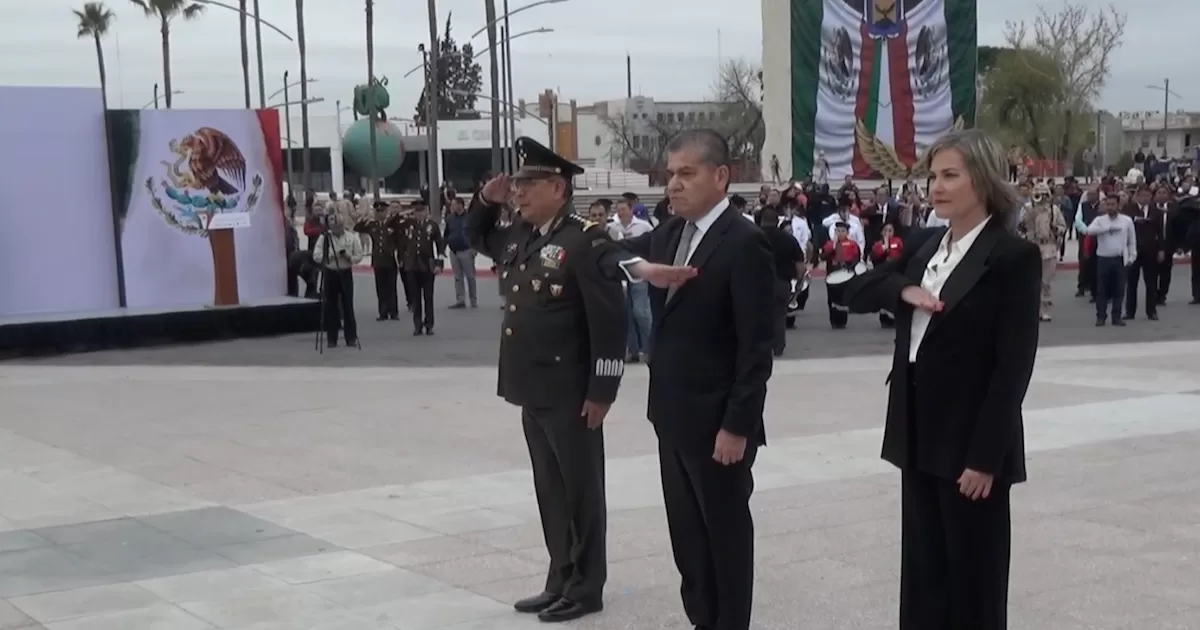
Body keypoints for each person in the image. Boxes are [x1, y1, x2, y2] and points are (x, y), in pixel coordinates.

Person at [837, 128, 1042, 630]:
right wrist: (905, 289)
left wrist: (984, 458)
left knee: (974, 580)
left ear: (985, 179)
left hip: (971, 443)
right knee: (924, 573)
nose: (937, 186)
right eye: (932, 176)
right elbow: (853, 291)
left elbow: (1013, 369)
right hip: (917, 433)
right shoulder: (926, 244)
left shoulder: (1012, 257)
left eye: (951, 175)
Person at [596, 129, 775, 630]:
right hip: (672, 416)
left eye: (686, 173)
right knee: (688, 540)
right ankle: (702, 618)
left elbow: (757, 348)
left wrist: (737, 425)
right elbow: (606, 254)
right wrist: (642, 268)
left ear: (721, 177)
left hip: (718, 424)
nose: (673, 185)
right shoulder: (670, 233)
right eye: (670, 174)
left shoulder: (744, 243)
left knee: (725, 537)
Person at [465, 137, 629, 623]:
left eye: (527, 184)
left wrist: (603, 390)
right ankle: (560, 576)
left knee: (581, 491)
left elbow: (611, 322)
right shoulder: (521, 234)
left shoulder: (586, 240)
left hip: (572, 391)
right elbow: (478, 239)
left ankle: (586, 587)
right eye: (515, 184)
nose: (517, 192)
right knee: (550, 490)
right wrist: (483, 202)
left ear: (558, 187)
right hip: (531, 387)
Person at [312, 214, 365, 348]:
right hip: (330, 272)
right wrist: (331, 255)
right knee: (330, 307)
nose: (337, 229)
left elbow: (359, 255)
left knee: (348, 306)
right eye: (334, 227)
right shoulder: (324, 238)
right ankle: (331, 339)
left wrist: (349, 257)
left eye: (339, 226)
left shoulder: (351, 237)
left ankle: (351, 337)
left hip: (345, 272)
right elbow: (316, 256)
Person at [758, 207, 806, 356]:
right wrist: (799, 283)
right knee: (779, 315)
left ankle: (761, 346)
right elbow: (800, 264)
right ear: (777, 221)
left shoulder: (753, 237)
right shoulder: (787, 238)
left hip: (757, 283)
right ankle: (778, 346)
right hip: (781, 282)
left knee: (757, 315)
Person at [1083, 195, 1137, 326]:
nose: (1110, 207)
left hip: (1119, 258)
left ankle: (1116, 316)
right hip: (1103, 258)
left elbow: (1131, 240)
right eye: (1108, 205)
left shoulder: (1126, 220)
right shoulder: (1100, 220)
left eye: (1113, 204)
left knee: (1119, 289)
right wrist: (1106, 229)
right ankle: (1101, 317)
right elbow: (1089, 230)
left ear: (1119, 205)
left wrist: (1132, 256)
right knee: (1102, 290)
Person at [1017, 181, 1066, 321]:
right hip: (1032, 246)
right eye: (1038, 194)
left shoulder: (1053, 209)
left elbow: (1063, 226)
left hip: (1048, 247)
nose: (1041, 198)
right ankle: (1032, 309)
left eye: (1043, 194)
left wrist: (1057, 229)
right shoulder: (1027, 209)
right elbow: (1020, 228)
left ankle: (1044, 309)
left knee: (1045, 282)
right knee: (1031, 281)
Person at [397, 200, 445, 335]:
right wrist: (402, 260)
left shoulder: (432, 226)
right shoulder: (407, 225)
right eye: (416, 212)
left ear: (426, 212)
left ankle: (429, 324)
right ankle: (417, 324)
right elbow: (401, 242)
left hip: (427, 265)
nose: (419, 214)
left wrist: (438, 264)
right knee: (415, 297)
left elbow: (439, 245)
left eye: (421, 211)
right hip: (412, 265)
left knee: (428, 297)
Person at [1121, 186, 1164, 320]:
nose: (1145, 198)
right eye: (1143, 195)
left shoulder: (1156, 211)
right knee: (1132, 282)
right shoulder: (1128, 209)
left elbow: (1160, 232)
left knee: (1151, 282)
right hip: (1133, 250)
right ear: (1137, 196)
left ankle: (1151, 311)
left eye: (1148, 196)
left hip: (1150, 250)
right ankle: (1130, 311)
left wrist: (1161, 250)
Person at [355, 200, 402, 321]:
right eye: (378, 211)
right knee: (380, 287)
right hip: (378, 260)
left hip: (391, 259)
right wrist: (364, 219)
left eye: (382, 211)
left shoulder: (393, 224)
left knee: (391, 287)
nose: (380, 213)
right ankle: (383, 311)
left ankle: (393, 311)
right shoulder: (372, 225)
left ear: (387, 211)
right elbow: (357, 228)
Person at [869, 222, 903, 327]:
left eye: (890, 230)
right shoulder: (878, 245)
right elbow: (875, 257)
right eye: (885, 230)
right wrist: (885, 246)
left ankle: (894, 317)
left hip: (895, 271)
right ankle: (884, 318)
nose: (888, 233)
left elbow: (902, 253)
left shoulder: (898, 242)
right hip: (883, 272)